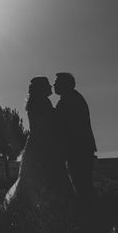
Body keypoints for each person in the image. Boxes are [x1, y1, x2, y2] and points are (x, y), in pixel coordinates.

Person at [4, 76, 73, 208]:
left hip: (36, 144)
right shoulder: (42, 102)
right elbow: (50, 123)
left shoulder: (35, 102)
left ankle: (28, 206)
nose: (50, 87)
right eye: (47, 85)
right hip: (42, 146)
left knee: (33, 178)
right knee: (51, 175)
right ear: (42, 88)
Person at [53, 72, 97, 203]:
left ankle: (89, 213)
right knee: (82, 184)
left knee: (81, 184)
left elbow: (64, 125)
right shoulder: (72, 98)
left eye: (57, 82)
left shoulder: (69, 100)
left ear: (65, 84)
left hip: (78, 149)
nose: (54, 85)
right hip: (80, 148)